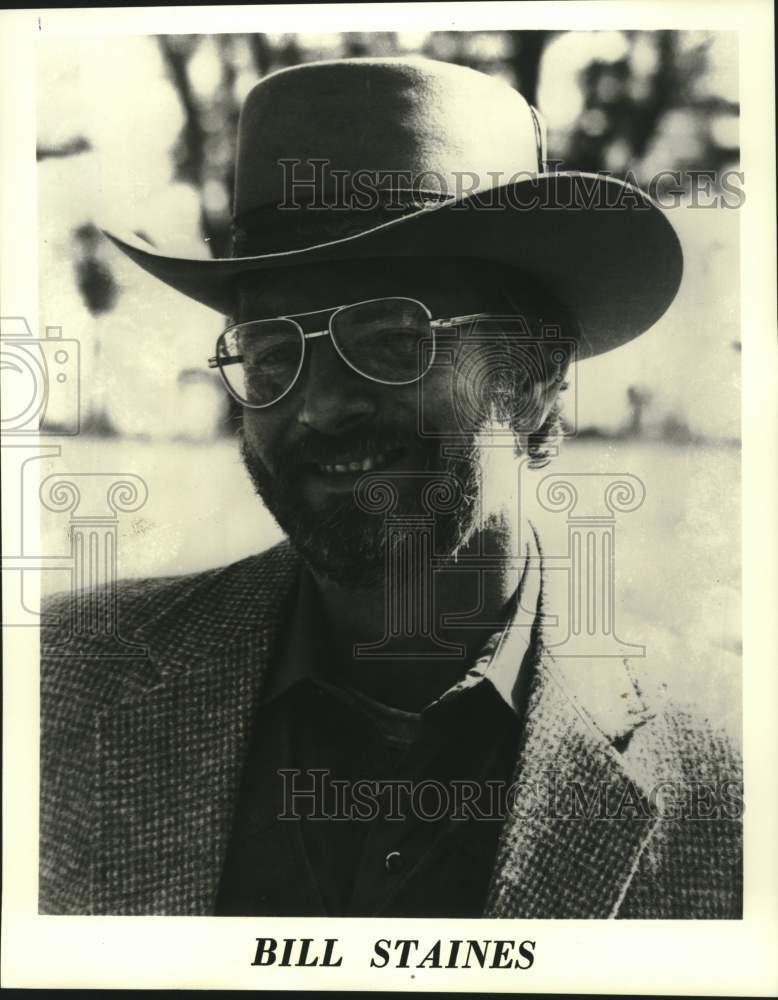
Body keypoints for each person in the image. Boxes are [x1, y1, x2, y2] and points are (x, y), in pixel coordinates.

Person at [40, 56, 741, 917]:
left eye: (389, 338)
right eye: (271, 353)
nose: (322, 405)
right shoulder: (57, 688)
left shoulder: (732, 771)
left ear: (533, 376)